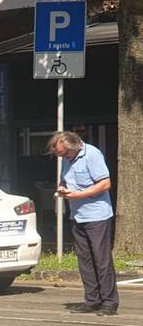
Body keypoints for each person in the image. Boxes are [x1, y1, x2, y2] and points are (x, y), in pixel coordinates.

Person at [47, 131, 118, 316]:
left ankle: (109, 302)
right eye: (60, 155)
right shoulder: (67, 159)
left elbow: (105, 184)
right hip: (77, 215)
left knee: (101, 260)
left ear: (75, 147)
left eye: (64, 154)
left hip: (97, 216)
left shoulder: (92, 155)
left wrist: (80, 195)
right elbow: (65, 179)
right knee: (85, 261)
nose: (62, 157)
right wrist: (62, 188)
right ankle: (92, 300)